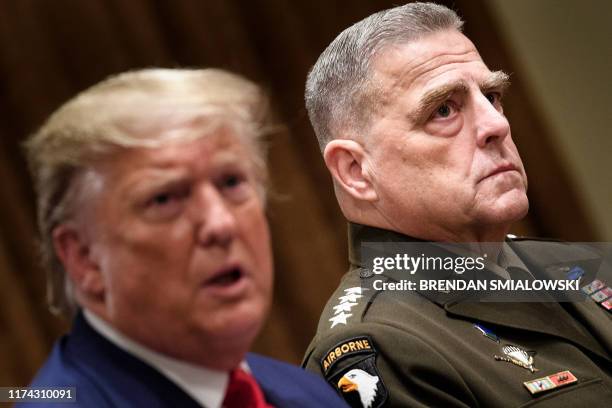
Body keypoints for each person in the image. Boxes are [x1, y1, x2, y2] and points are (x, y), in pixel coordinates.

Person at [301, 2, 612, 407]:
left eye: (492, 96)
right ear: (356, 171)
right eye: (444, 110)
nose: (497, 125)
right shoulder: (382, 347)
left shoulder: (575, 261)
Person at [22, 68, 347, 408]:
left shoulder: (309, 394)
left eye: (231, 182)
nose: (221, 224)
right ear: (84, 258)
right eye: (164, 199)